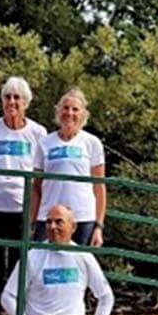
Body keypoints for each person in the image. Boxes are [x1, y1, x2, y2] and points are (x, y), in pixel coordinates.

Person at [0, 77, 47, 315]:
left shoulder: (37, 133)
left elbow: (39, 176)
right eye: (8, 97)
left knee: (20, 268)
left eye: (17, 98)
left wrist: (35, 213)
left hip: (23, 208)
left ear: (26, 103)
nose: (12, 103)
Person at [29, 89, 106, 247]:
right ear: (58, 111)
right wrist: (32, 222)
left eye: (75, 109)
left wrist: (99, 226)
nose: (69, 113)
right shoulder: (45, 143)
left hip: (82, 217)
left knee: (78, 267)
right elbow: (36, 186)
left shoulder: (92, 143)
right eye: (65, 108)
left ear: (83, 114)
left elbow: (99, 187)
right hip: (48, 217)